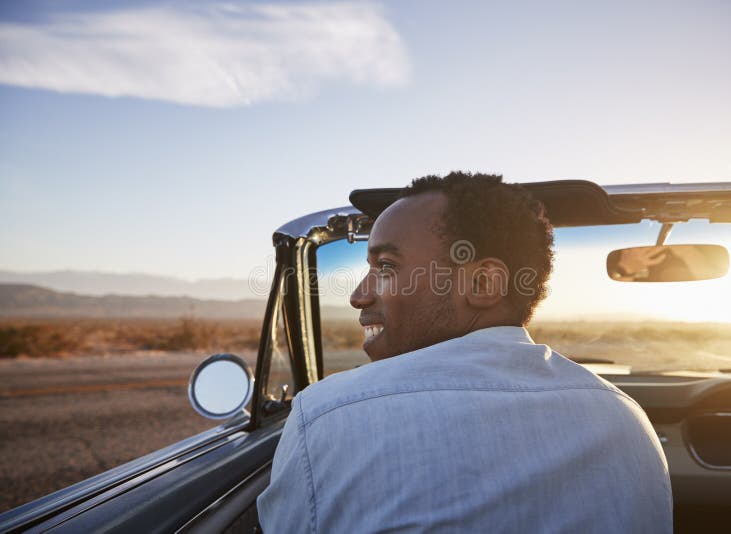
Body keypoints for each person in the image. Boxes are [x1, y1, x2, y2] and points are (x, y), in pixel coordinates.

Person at [257, 172, 672, 533]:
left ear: (482, 285)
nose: (358, 296)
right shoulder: (625, 422)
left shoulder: (326, 418)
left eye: (385, 267)